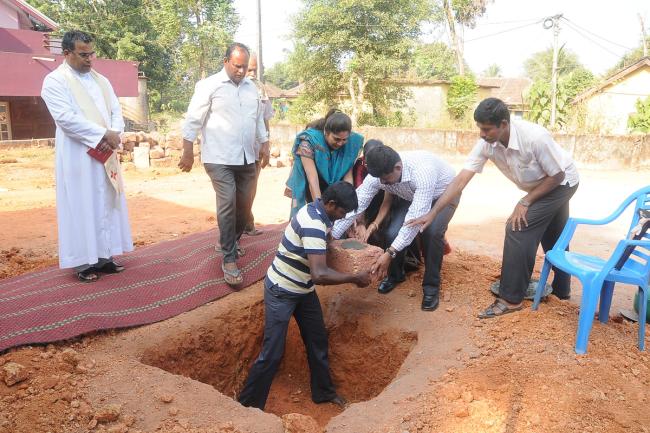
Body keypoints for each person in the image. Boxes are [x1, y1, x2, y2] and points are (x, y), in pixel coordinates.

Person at [407, 97, 579, 318]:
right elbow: (460, 180)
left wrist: (525, 201)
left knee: (518, 228)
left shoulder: (535, 138)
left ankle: (511, 298)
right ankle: (562, 290)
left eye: (486, 129)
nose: (481, 133)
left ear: (504, 125)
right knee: (554, 235)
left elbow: (557, 175)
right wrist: (433, 212)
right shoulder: (487, 145)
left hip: (561, 183)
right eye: (479, 128)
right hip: (543, 184)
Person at [238, 181, 371, 410]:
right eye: (342, 212)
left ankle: (323, 393)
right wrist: (354, 277)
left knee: (317, 340)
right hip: (282, 290)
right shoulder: (313, 223)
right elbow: (319, 274)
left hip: (303, 289)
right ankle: (247, 406)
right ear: (330, 204)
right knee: (272, 353)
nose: (342, 217)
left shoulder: (318, 210)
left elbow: (323, 244)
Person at [41, 30, 133, 283]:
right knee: (81, 205)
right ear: (67, 53)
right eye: (83, 54)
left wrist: (116, 133)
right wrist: (104, 134)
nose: (89, 59)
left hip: (106, 152)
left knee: (106, 202)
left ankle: (105, 257)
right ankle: (82, 262)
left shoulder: (101, 80)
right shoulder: (54, 81)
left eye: (91, 53)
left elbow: (116, 110)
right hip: (78, 155)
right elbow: (66, 119)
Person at [179, 42, 270, 286]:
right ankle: (229, 258)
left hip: (246, 157)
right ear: (226, 61)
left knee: (245, 205)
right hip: (218, 157)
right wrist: (187, 149)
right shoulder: (209, 86)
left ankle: (229, 240)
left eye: (245, 67)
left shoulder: (252, 89)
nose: (241, 71)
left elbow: (258, 119)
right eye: (237, 66)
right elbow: (193, 118)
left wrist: (265, 143)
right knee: (228, 201)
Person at [332, 143, 457, 312]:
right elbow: (357, 206)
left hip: (443, 194)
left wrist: (389, 253)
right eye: (380, 180)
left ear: (398, 167)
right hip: (410, 194)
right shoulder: (380, 175)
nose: (383, 184)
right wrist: (332, 235)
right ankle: (396, 275)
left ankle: (431, 286)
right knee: (392, 232)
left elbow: (414, 222)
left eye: (386, 179)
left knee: (431, 233)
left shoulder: (422, 172)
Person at [285, 109, 363, 217]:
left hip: (334, 184)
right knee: (311, 216)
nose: (340, 143)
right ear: (326, 133)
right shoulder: (308, 142)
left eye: (344, 140)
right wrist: (321, 212)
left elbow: (347, 176)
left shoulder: (352, 143)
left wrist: (347, 201)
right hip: (310, 182)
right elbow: (313, 180)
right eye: (336, 139)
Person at [244, 52, 275, 236]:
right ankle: (240, 224)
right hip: (236, 149)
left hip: (256, 149)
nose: (251, 74)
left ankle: (248, 221)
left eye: (254, 70)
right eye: (248, 69)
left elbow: (265, 119)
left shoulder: (260, 90)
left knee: (252, 186)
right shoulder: (233, 89)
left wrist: (266, 145)